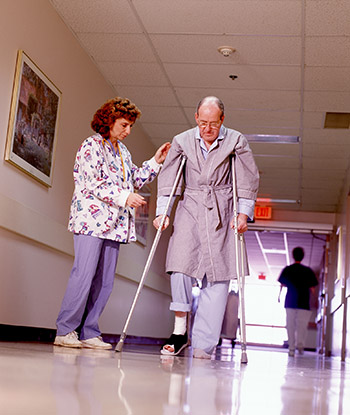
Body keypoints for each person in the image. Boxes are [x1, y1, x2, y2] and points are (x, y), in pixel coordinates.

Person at [54, 97, 171, 349]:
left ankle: (89, 332)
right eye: (124, 125)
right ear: (109, 121)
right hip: (90, 222)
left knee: (105, 281)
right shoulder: (91, 146)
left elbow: (135, 179)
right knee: (83, 275)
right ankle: (65, 330)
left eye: (130, 126)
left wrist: (155, 161)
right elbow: (92, 182)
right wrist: (123, 197)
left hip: (114, 226)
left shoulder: (122, 151)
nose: (128, 131)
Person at [153, 96, 259, 358]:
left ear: (222, 120)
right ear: (195, 118)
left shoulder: (236, 141)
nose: (207, 129)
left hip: (223, 209)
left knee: (219, 276)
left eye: (213, 123)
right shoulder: (182, 140)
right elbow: (168, 179)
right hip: (190, 205)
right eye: (202, 123)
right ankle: (179, 332)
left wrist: (243, 214)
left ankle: (204, 343)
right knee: (180, 266)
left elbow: (247, 180)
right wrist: (162, 212)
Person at [278, 246, 318, 356]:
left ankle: (291, 347)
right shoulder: (308, 271)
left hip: (290, 300)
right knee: (302, 325)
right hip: (304, 302)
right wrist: (315, 299)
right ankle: (300, 345)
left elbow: (282, 284)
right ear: (303, 256)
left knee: (290, 324)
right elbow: (313, 288)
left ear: (293, 255)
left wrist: (279, 296)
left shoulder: (287, 269)